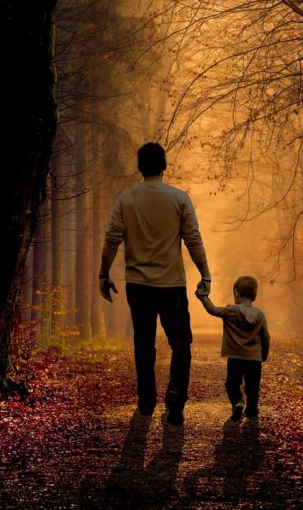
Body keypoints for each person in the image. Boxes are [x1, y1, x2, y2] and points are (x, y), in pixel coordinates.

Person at [99, 142, 211, 426]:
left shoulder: (126, 199)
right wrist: (205, 273)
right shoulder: (179, 198)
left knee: (144, 344)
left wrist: (104, 273)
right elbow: (193, 238)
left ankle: (146, 402)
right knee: (181, 342)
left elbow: (113, 237)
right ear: (164, 166)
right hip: (171, 285)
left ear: (140, 167)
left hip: (138, 284)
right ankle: (175, 400)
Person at [196, 275, 270, 421]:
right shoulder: (260, 315)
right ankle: (251, 410)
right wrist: (264, 355)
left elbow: (213, 309)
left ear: (236, 292)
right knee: (253, 387)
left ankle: (238, 402)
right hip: (254, 358)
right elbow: (266, 338)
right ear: (254, 295)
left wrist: (202, 296)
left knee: (232, 384)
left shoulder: (231, 311)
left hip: (236, 358)